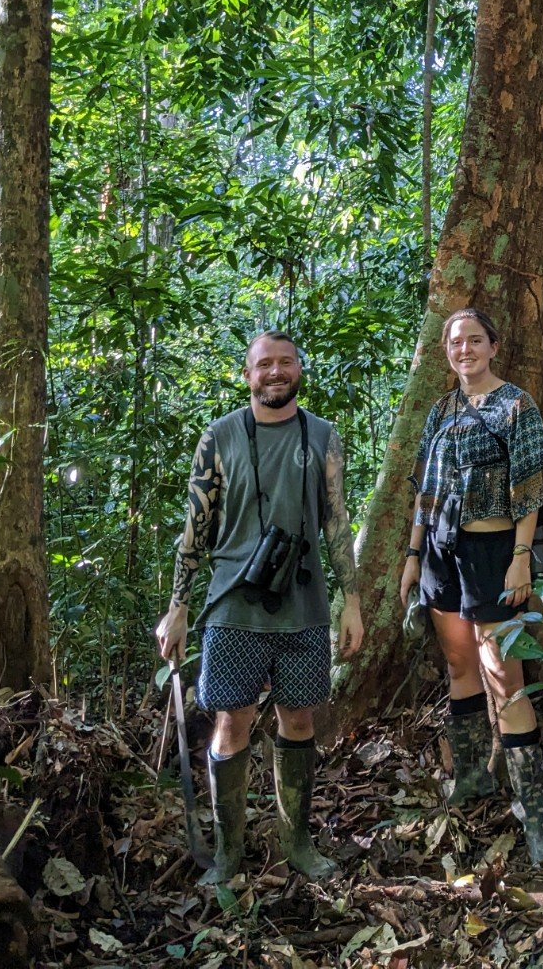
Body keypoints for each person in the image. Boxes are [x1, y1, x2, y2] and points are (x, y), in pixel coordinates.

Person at [156, 331, 364, 883]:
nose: (275, 372)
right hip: (232, 603)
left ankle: (296, 841)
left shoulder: (322, 436)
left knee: (298, 718)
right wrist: (178, 607)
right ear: (247, 374)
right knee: (232, 720)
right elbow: (195, 527)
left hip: (304, 602)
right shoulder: (219, 437)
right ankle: (229, 852)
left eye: (285, 362)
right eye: (264, 364)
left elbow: (337, 522)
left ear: (299, 369)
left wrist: (352, 599)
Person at [399, 307, 543, 865]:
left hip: (494, 554)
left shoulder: (516, 404)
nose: (463, 349)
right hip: (443, 555)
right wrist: (413, 556)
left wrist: (521, 558)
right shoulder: (441, 409)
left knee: (504, 677)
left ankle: (536, 818)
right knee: (462, 666)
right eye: (454, 342)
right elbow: (425, 485)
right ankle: (470, 778)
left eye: (473, 340)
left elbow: (534, 486)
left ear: (493, 346)